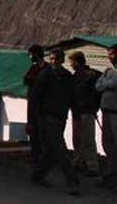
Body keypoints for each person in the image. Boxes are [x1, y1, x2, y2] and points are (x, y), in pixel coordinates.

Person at [30, 48, 80, 196]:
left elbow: (73, 98)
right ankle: (73, 182)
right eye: (51, 59)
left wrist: (76, 115)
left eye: (56, 59)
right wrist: (34, 118)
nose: (53, 62)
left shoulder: (67, 77)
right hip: (47, 117)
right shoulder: (45, 75)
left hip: (61, 117)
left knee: (52, 150)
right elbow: (35, 96)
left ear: (62, 60)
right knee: (61, 149)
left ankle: (38, 175)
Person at [68, 51, 101, 177]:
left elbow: (97, 94)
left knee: (88, 139)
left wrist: (94, 108)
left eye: (72, 62)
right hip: (77, 112)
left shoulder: (91, 75)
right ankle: (79, 161)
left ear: (77, 62)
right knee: (77, 138)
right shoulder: (75, 76)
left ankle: (92, 167)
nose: (71, 65)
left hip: (87, 111)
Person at [95, 43, 117, 190]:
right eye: (109, 53)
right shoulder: (109, 71)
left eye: (112, 53)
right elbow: (98, 86)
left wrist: (107, 84)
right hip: (106, 110)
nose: (109, 56)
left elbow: (114, 84)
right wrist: (108, 84)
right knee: (107, 143)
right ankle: (110, 174)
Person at [24, 44, 47, 164]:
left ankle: (42, 156)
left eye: (31, 54)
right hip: (32, 102)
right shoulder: (33, 67)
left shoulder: (46, 68)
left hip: (42, 104)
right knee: (32, 128)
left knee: (41, 130)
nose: (29, 57)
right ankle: (35, 155)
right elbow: (26, 79)